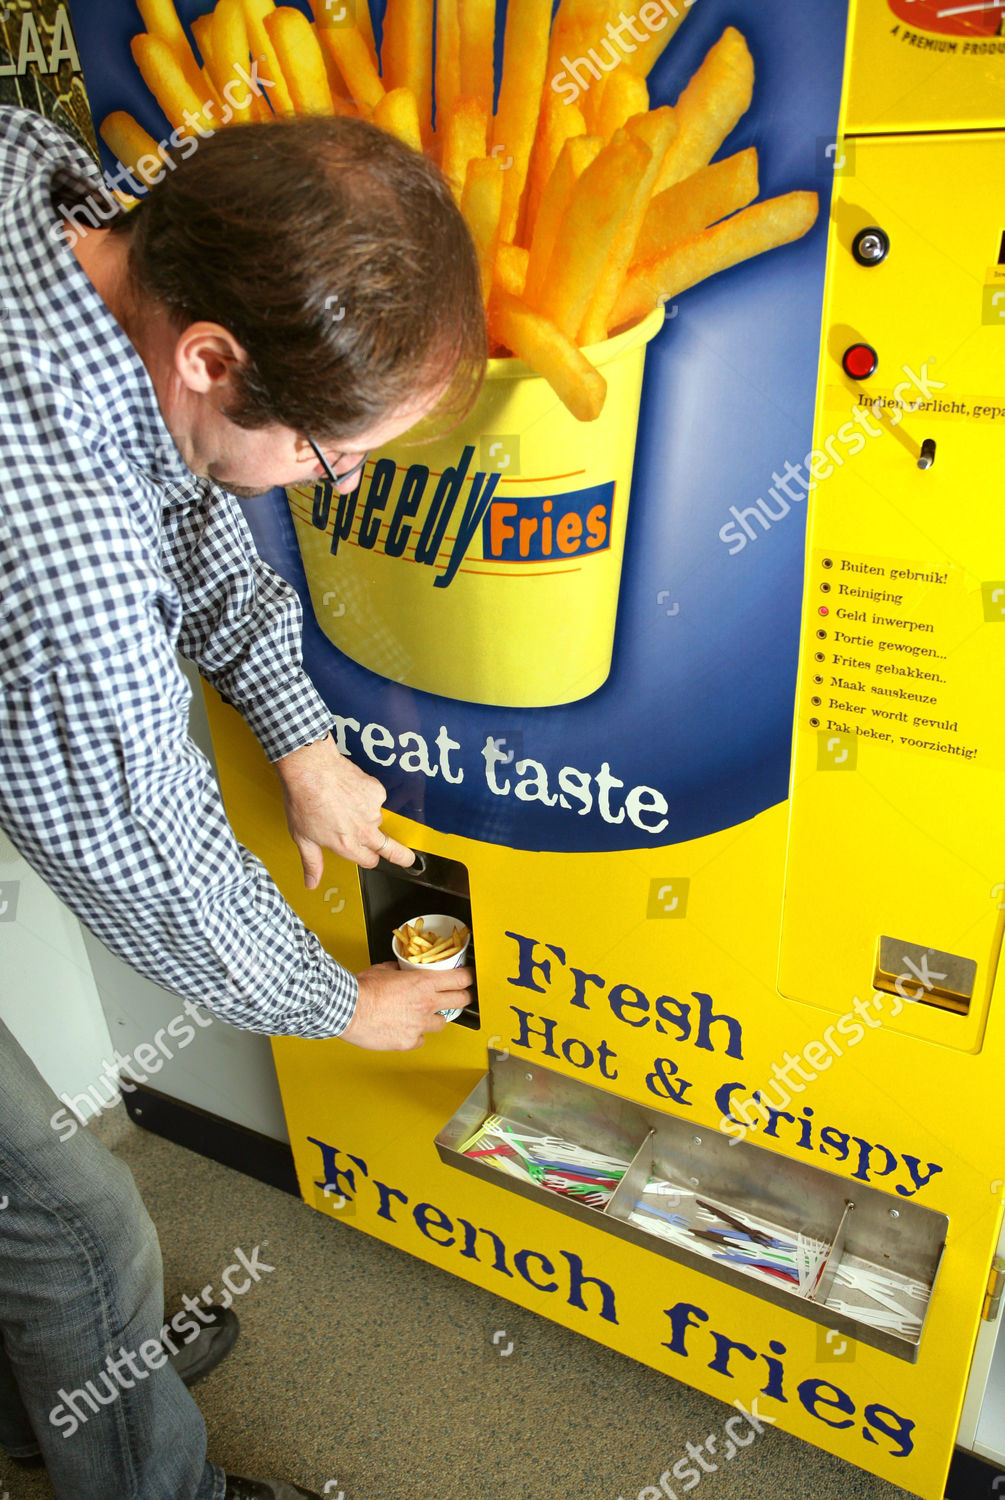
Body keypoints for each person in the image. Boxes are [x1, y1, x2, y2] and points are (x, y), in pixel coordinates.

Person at [0, 103, 485, 1500]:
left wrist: (299, 735)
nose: (338, 485)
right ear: (210, 353)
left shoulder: (63, 212)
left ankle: (70, 1379)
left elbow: (190, 482)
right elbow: (156, 861)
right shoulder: (63, 561)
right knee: (76, 1222)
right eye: (334, 461)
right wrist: (347, 1005)